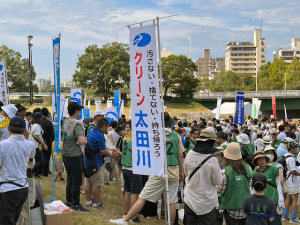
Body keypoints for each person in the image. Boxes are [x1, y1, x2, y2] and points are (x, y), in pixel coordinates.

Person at [110, 112, 184, 225]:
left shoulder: (154, 135)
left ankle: (125, 219)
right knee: (171, 202)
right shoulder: (175, 135)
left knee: (142, 197)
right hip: (173, 170)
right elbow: (180, 155)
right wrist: (181, 171)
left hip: (158, 171)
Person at [183, 128, 223, 225]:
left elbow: (186, 172)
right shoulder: (212, 160)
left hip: (190, 199)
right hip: (206, 203)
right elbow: (218, 181)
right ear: (212, 143)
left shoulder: (190, 154)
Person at [0, 116, 35, 225]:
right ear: (25, 130)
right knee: (13, 219)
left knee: (6, 221)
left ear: (8, 129)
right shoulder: (30, 144)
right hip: (23, 188)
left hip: (8, 189)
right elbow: (32, 155)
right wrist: (27, 136)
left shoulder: (2, 145)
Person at [61, 102, 88, 212]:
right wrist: (86, 140)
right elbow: (81, 141)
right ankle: (76, 204)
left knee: (70, 179)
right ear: (76, 111)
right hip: (75, 155)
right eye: (79, 110)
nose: (80, 112)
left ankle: (69, 201)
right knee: (77, 180)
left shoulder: (66, 122)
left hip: (66, 154)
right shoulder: (77, 124)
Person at [84, 118, 117, 209]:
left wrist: (109, 149)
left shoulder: (91, 132)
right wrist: (111, 153)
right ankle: (96, 203)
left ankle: (88, 201)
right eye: (107, 127)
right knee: (97, 183)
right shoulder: (100, 136)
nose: (108, 129)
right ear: (103, 126)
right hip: (95, 162)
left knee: (88, 181)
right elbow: (102, 151)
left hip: (87, 160)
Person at [218, 142, 252, 225]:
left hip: (230, 206)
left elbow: (220, 190)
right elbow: (250, 183)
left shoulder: (225, 171)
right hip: (245, 206)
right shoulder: (247, 167)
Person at [252, 151, 284, 224]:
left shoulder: (273, 170)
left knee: (275, 222)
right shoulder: (253, 173)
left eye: (263, 158)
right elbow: (252, 189)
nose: (261, 161)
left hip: (273, 201)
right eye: (259, 159)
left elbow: (278, 185)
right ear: (256, 161)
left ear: (266, 160)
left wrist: (281, 200)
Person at [120, 121, 143, 222]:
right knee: (135, 193)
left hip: (125, 167)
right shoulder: (134, 138)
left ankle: (126, 212)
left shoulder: (125, 137)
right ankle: (133, 216)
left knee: (127, 191)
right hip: (133, 168)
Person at [281, 139, 300, 223]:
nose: (296, 149)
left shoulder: (285, 156)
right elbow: (293, 171)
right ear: (292, 148)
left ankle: (285, 215)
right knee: (295, 198)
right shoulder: (292, 158)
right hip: (291, 181)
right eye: (295, 147)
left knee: (288, 197)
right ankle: (294, 217)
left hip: (286, 180)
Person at [29, 112, 48, 178]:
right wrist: (44, 144)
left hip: (34, 145)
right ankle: (31, 172)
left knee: (37, 160)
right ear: (39, 118)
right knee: (41, 161)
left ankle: (36, 174)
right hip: (36, 145)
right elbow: (38, 136)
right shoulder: (37, 126)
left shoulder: (34, 125)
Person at [41, 107, 55, 177]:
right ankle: (45, 172)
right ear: (48, 114)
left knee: (40, 156)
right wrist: (53, 141)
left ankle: (40, 171)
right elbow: (52, 134)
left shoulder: (39, 122)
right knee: (47, 157)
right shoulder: (49, 123)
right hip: (47, 142)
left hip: (39, 141)